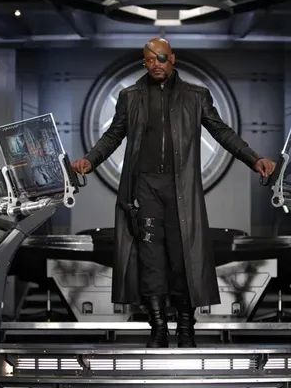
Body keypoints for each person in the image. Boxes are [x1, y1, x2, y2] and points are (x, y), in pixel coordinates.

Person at [72, 37, 276, 348]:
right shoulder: (130, 96)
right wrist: (90, 160)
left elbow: (222, 131)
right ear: (144, 62)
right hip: (144, 190)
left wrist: (254, 158)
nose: (156, 64)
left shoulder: (196, 96)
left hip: (181, 190)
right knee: (150, 260)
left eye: (162, 57)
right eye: (150, 59)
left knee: (184, 260)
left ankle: (185, 328)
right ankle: (157, 329)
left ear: (173, 58)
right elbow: (113, 135)